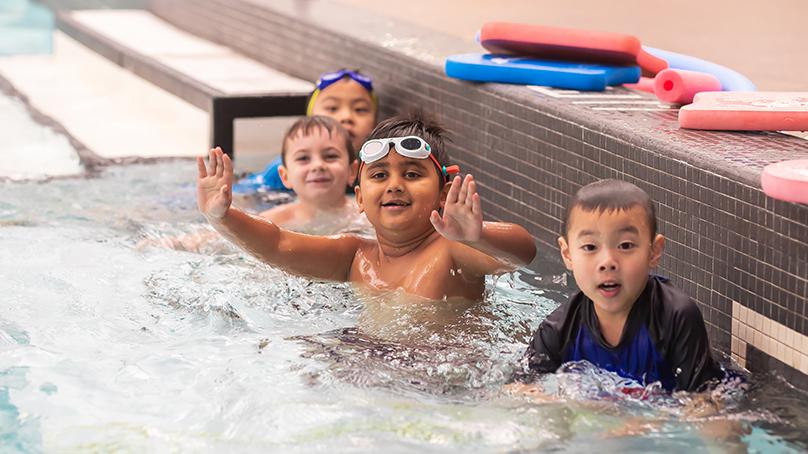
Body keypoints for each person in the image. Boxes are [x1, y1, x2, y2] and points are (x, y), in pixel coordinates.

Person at [196, 111, 536, 300]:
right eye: (379, 175)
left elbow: (523, 252)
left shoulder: (452, 252)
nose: (394, 185)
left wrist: (476, 236)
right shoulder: (355, 257)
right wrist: (221, 217)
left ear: (444, 192)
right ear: (359, 197)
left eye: (413, 173)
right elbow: (279, 243)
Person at [515, 179, 723, 392]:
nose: (607, 262)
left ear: (654, 251)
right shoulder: (559, 329)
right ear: (567, 254)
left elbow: (704, 406)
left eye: (625, 245)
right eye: (589, 247)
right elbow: (519, 391)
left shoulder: (676, 317)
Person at [238, 69, 377, 192]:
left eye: (360, 109)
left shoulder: (376, 168)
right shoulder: (287, 168)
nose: (346, 117)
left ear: (375, 122)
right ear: (311, 119)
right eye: (332, 108)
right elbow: (245, 192)